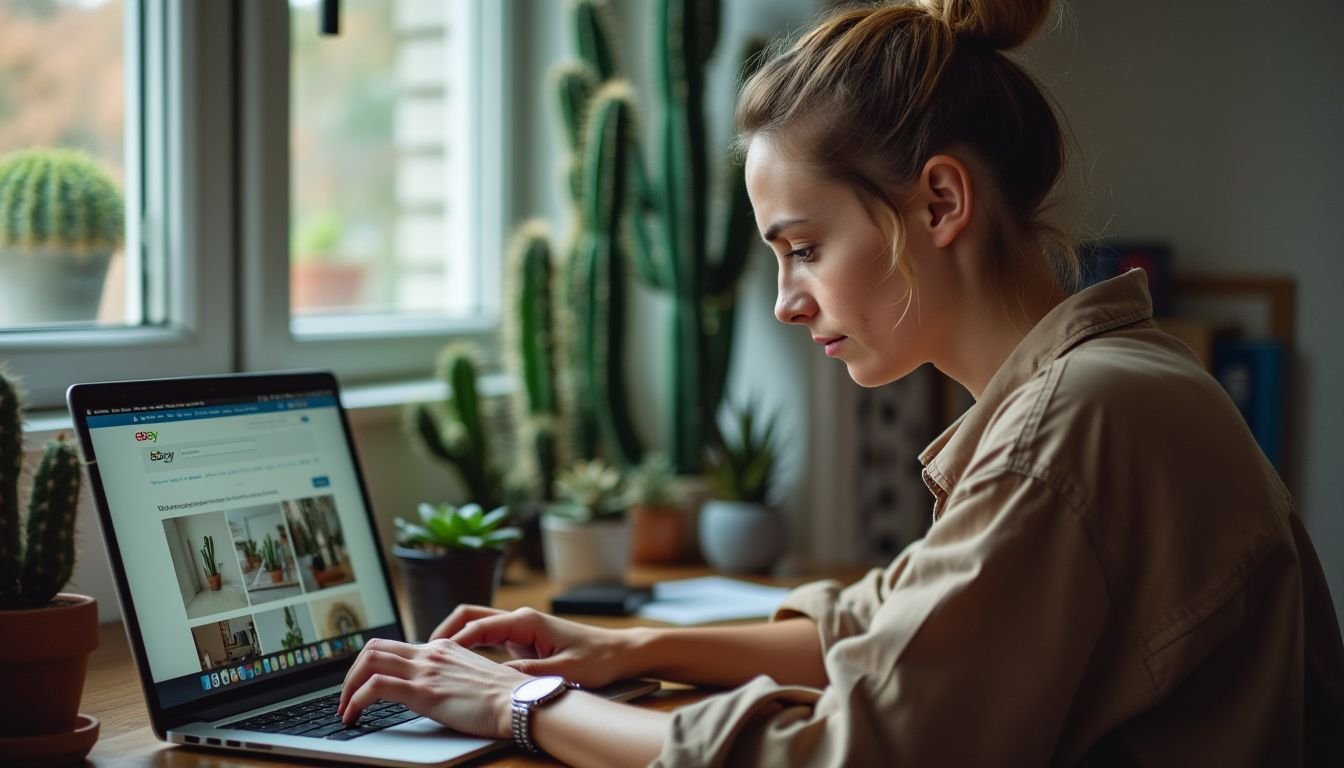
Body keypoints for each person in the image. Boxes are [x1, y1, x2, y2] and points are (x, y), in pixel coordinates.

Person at [338, 0, 1344, 764]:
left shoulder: (1076, 419)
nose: (786, 299)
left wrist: (521, 706)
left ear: (941, 200)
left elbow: (853, 750)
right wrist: (612, 647)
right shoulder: (1101, 382)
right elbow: (884, 626)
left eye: (805, 247)